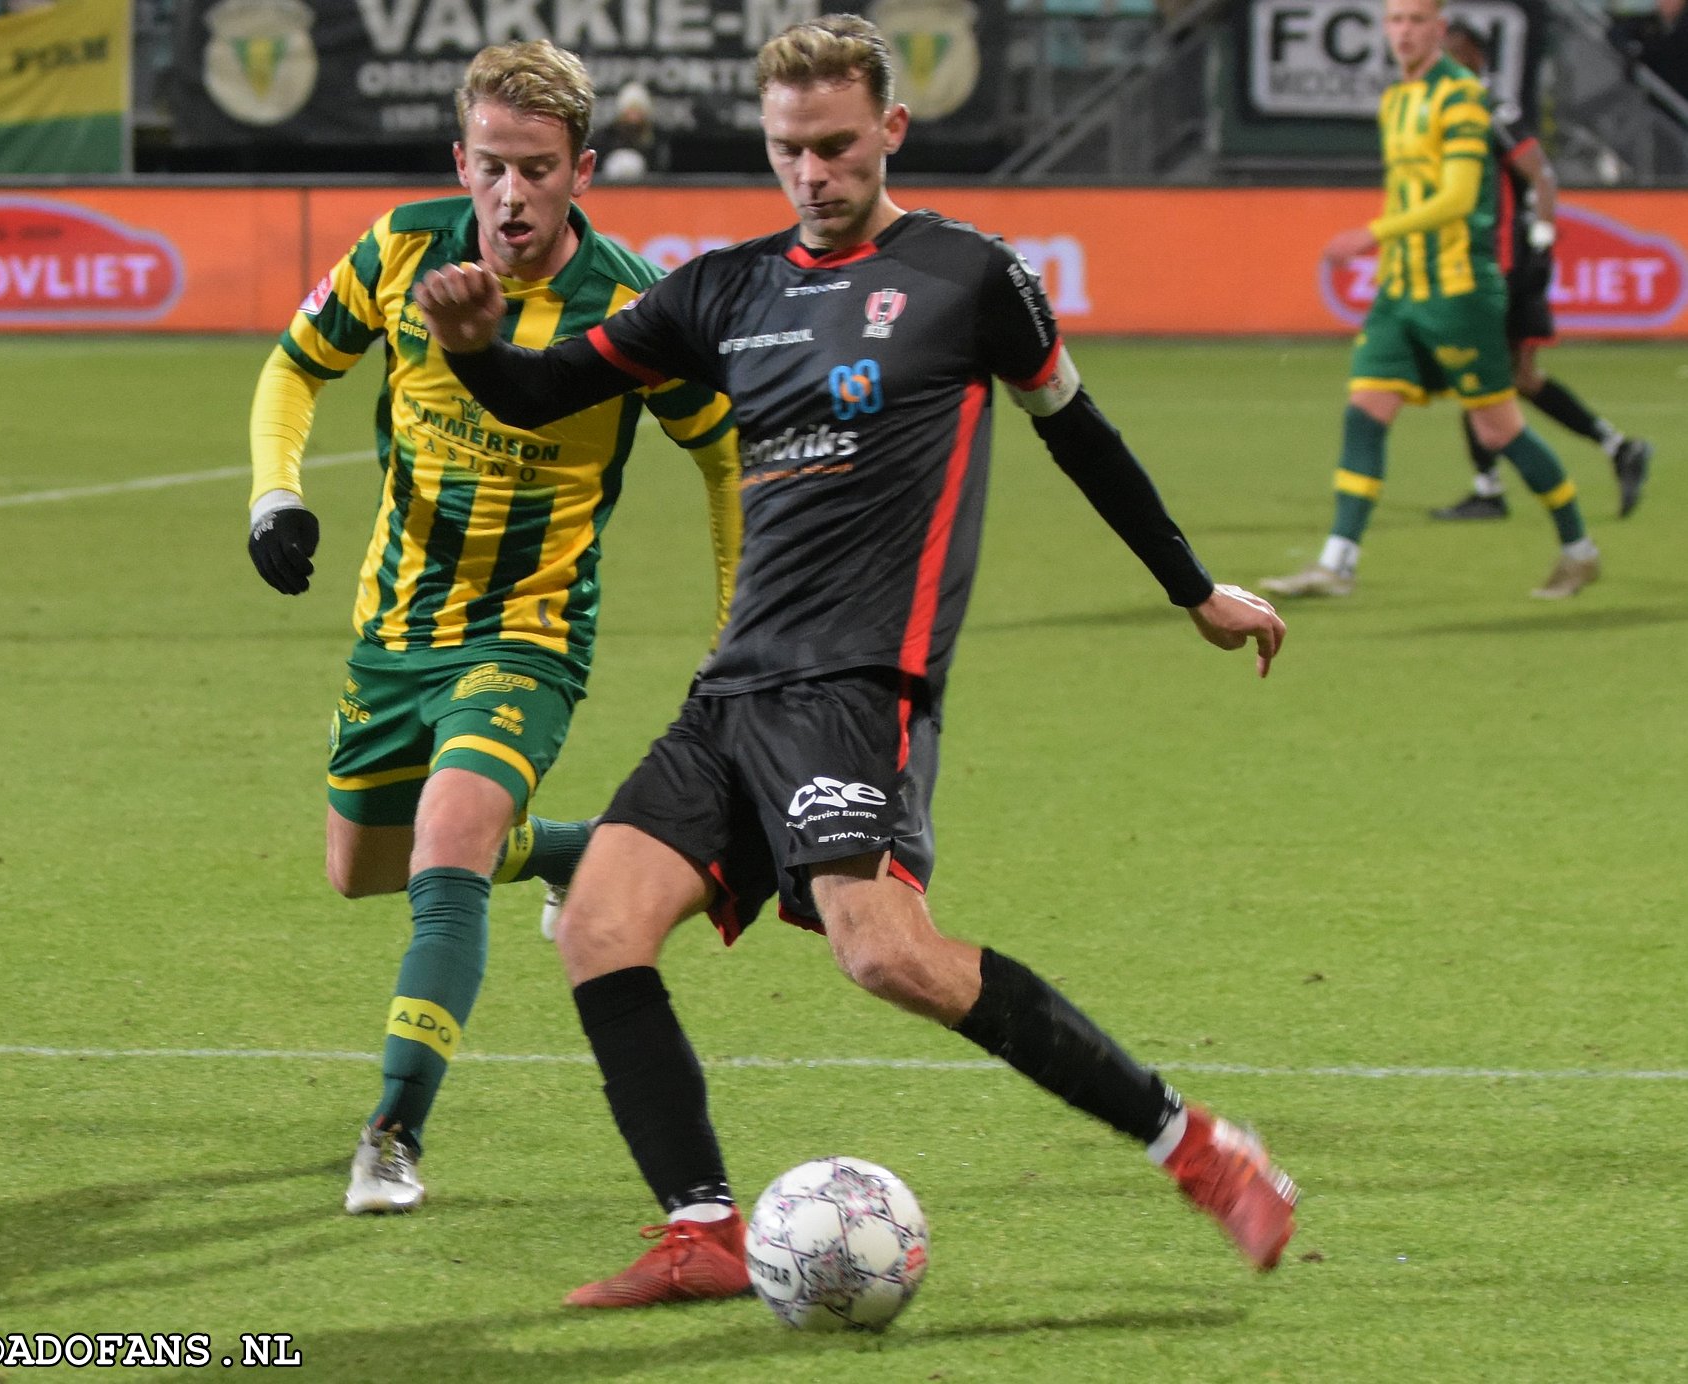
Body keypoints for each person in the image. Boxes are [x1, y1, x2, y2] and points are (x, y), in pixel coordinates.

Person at [416, 13, 1299, 1307]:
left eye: (836, 146)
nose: (813, 175)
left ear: (890, 130)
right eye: (788, 150)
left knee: (886, 953)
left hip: (859, 688)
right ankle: (703, 1231)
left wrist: (1190, 588)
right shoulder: (723, 288)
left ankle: (1199, 1147)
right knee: (600, 924)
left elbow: (1082, 436)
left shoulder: (971, 278)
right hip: (734, 689)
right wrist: (476, 344)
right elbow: (545, 390)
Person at [245, 39, 742, 1216]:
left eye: (537, 169)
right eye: (490, 167)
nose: (510, 195)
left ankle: (392, 1133)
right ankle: (573, 851)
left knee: (450, 840)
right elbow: (292, 366)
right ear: (457, 159)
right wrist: (276, 494)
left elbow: (724, 454)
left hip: (528, 635)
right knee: (363, 869)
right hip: (393, 631)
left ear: (580, 170)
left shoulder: (630, 303)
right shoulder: (403, 245)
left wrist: (735, 630)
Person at [1263, 0, 1601, 602]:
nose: (1404, 32)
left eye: (1417, 20)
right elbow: (1408, 190)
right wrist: (1390, 251)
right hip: (1402, 291)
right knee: (1365, 409)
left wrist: (1371, 234)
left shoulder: (1463, 97)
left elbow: (1456, 197)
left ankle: (1579, 550)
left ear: (1439, 30)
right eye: (1395, 21)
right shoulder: (1396, 99)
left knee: (1498, 430)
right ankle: (1336, 563)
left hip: (1458, 292)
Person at [1430, 18, 1651, 523]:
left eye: (1452, 53)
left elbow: (1541, 175)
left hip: (1508, 262)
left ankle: (1492, 490)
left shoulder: (1489, 111)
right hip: (1498, 259)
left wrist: (1542, 242)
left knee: (1481, 370)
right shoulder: (1452, 109)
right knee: (1516, 376)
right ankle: (1617, 447)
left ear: (1475, 59)